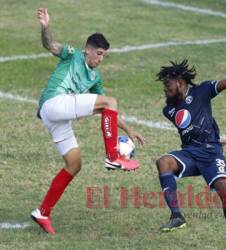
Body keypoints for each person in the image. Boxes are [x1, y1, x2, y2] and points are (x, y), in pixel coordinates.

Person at [31, 7, 145, 235]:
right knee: (109, 101)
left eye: (104, 55)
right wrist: (46, 27)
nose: (101, 59)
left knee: (74, 165)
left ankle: (42, 212)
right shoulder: (72, 54)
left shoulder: (95, 78)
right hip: (54, 103)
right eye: (99, 53)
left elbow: (108, 111)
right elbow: (49, 45)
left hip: (57, 117)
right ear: (88, 50)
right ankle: (113, 157)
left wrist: (129, 129)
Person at [156, 54, 226, 249]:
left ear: (180, 83)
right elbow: (193, 123)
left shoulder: (203, 91)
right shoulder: (169, 110)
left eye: (168, 86)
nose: (165, 91)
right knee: (163, 162)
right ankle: (176, 216)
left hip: (211, 154)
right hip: (190, 154)